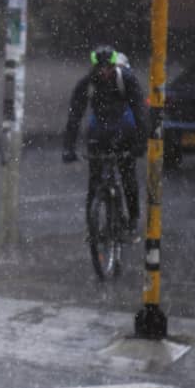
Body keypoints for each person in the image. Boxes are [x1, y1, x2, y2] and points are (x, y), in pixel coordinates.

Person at [63, 45, 148, 241]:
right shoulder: (87, 83)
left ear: (114, 65)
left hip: (125, 131)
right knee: (94, 182)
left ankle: (133, 221)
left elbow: (140, 113)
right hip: (99, 133)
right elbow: (75, 115)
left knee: (128, 176)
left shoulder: (126, 79)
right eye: (100, 68)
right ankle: (91, 229)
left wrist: (140, 143)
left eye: (108, 67)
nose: (104, 72)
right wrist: (69, 147)